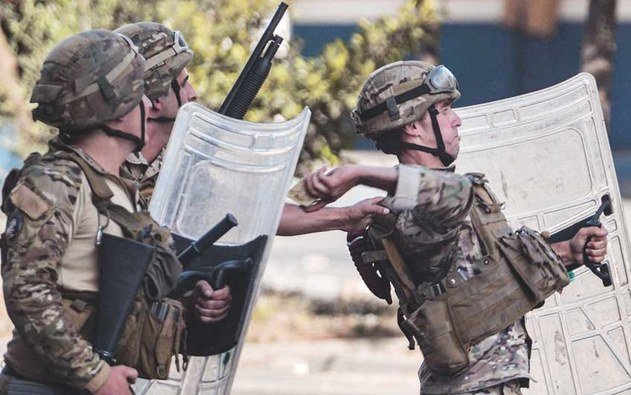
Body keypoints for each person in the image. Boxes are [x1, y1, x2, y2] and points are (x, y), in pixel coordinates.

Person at [300, 61, 609, 394]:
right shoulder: (412, 206)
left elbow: (484, 274)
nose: (456, 120)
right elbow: (450, 193)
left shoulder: (434, 197)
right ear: (412, 127)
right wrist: (359, 173)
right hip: (474, 385)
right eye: (444, 110)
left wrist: (567, 251)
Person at [0, 30, 225, 395]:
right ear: (115, 112)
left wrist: (186, 303)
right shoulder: (58, 182)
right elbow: (27, 291)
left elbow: (110, 293)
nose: (151, 107)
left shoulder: (115, 185)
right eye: (141, 98)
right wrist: (96, 375)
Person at [116, 22, 388, 236]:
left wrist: (345, 217)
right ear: (154, 97)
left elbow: (255, 214)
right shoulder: (108, 159)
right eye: (183, 84)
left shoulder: (178, 159)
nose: (193, 94)